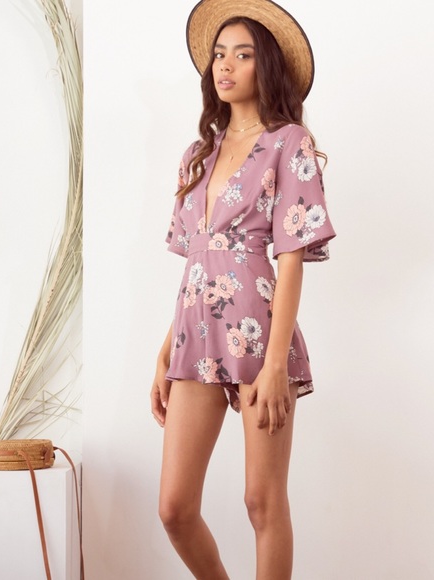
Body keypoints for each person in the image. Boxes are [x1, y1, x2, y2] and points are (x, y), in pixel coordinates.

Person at [150, 1, 336, 578]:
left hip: (261, 336)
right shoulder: (197, 155)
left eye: (243, 54)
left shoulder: (288, 143)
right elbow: (195, 266)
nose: (225, 65)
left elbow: (291, 258)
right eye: (218, 54)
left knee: (262, 501)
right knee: (174, 507)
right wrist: (165, 351)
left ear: (266, 66)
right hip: (194, 338)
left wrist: (276, 363)